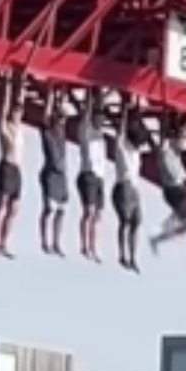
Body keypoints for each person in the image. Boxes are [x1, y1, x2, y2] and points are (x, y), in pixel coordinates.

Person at [0, 71, 24, 256]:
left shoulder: (18, 128)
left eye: (20, 112)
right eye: (16, 112)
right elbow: (3, 108)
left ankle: (4, 241)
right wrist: (8, 86)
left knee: (14, 209)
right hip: (7, 166)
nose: (18, 114)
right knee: (2, 203)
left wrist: (21, 82)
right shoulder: (5, 127)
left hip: (17, 170)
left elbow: (20, 101)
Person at [149, 119, 186, 252]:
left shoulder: (175, 153)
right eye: (181, 139)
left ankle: (158, 237)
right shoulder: (166, 151)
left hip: (175, 189)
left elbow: (179, 143)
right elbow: (163, 143)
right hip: (173, 189)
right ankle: (166, 226)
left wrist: (184, 129)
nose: (183, 142)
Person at [109, 98, 142, 271]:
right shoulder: (122, 144)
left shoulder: (136, 151)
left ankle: (133, 257)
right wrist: (124, 112)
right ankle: (123, 255)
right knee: (126, 222)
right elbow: (122, 130)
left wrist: (135, 110)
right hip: (123, 187)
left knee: (136, 222)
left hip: (133, 189)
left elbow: (137, 126)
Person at [76, 90, 106, 260]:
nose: (101, 121)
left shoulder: (100, 135)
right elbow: (87, 113)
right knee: (89, 211)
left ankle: (93, 247)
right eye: (98, 118)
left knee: (98, 215)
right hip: (88, 175)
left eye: (102, 119)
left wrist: (100, 97)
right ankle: (85, 245)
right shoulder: (86, 129)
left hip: (99, 178)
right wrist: (89, 95)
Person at [38, 87, 69, 255]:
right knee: (49, 209)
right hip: (51, 172)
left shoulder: (60, 131)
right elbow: (45, 115)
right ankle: (45, 242)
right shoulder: (47, 131)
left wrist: (60, 96)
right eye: (60, 117)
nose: (62, 120)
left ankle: (56, 243)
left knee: (61, 211)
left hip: (61, 175)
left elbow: (61, 110)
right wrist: (50, 96)